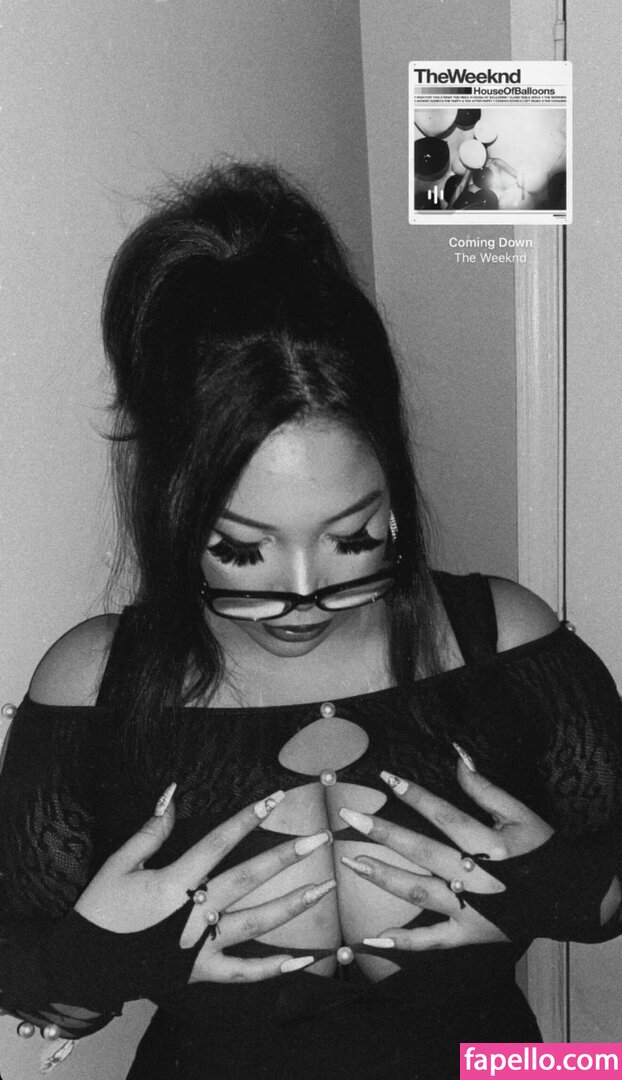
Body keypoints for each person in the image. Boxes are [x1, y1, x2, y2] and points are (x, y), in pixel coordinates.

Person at [1, 163, 621, 1080]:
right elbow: (43, 989)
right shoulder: (93, 688)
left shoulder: (508, 644)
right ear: (172, 509)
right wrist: (80, 966)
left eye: (353, 538)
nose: (303, 597)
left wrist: (577, 891)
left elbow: (608, 898)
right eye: (241, 549)